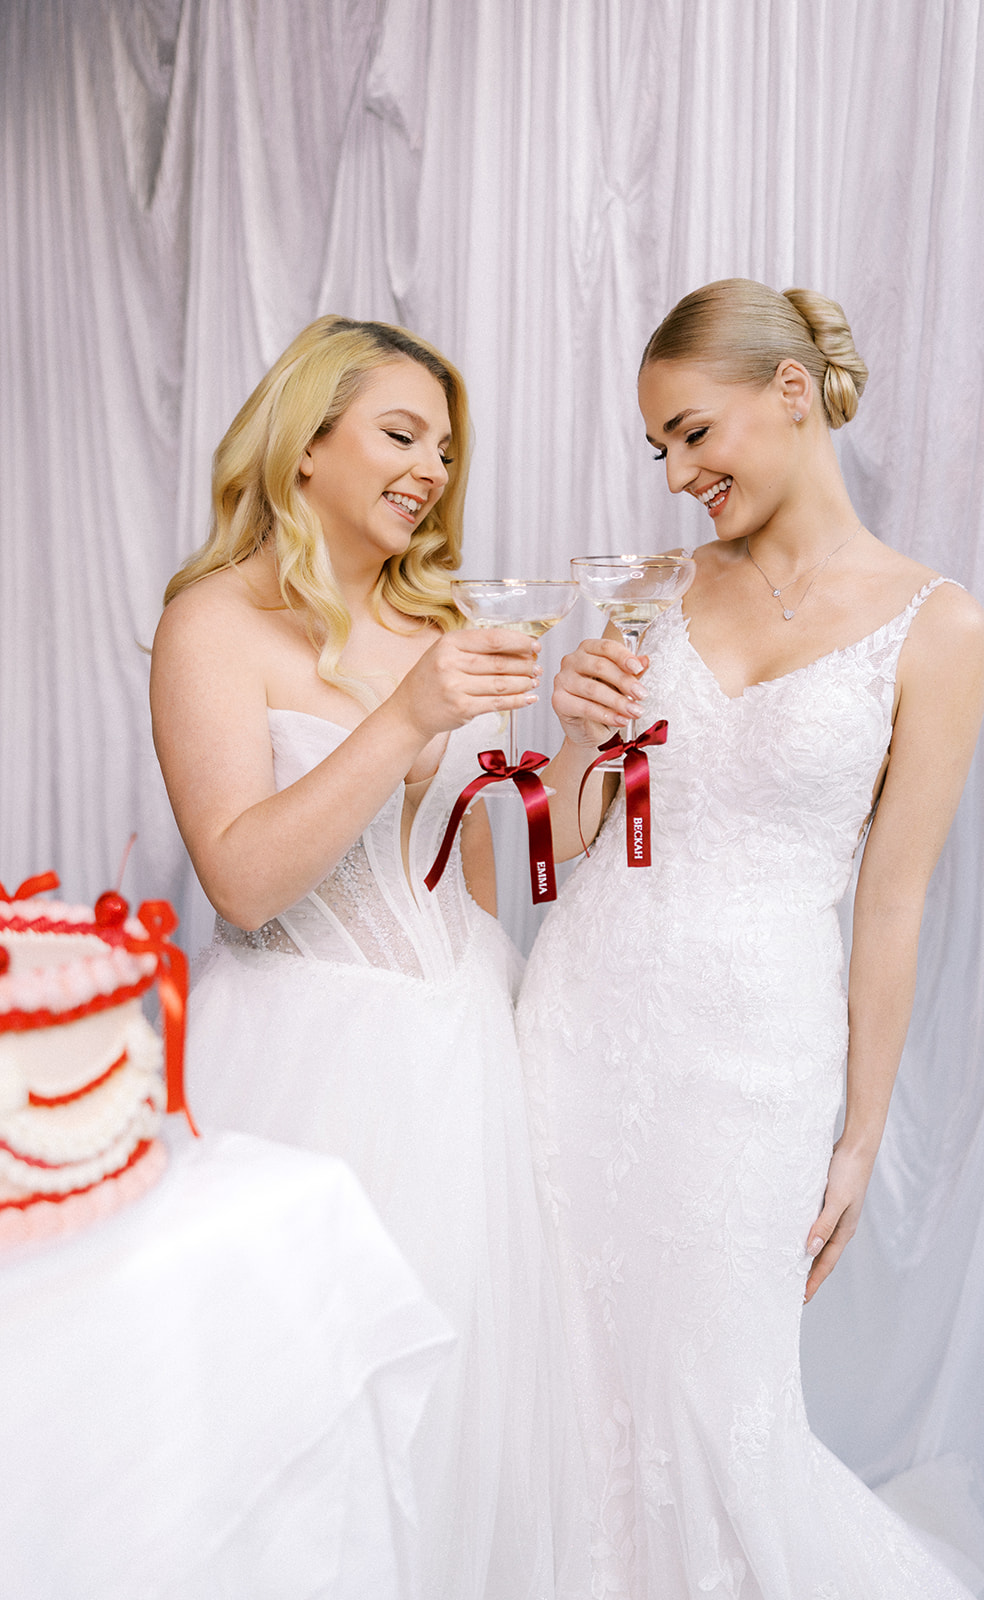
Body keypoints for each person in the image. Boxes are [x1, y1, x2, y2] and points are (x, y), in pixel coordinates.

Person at [517, 279, 984, 1597]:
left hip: (755, 1065)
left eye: (689, 433)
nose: (672, 473)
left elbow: (890, 903)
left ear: (790, 394)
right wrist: (572, 738)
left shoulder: (934, 626)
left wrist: (856, 1137)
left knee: (717, 1407)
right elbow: (553, 852)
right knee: (568, 1386)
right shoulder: (649, 592)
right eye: (655, 449)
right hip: (579, 1024)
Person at [151, 316, 582, 1599]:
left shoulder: (440, 616)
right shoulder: (210, 625)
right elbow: (241, 876)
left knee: (459, 1408)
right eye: (402, 434)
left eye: (445, 449)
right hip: (299, 1068)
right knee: (299, 1416)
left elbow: (492, 864)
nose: (431, 471)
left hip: (461, 1052)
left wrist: (579, 755)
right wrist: (407, 712)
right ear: (307, 442)